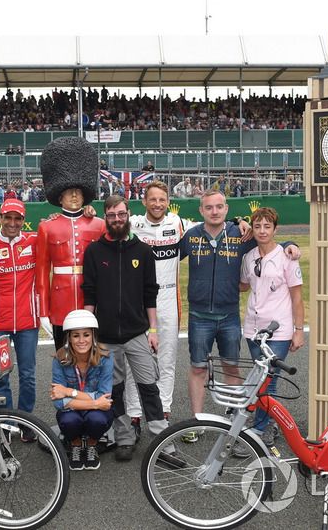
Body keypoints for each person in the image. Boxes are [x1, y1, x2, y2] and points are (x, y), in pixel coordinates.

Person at [179, 190, 300, 443]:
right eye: (209, 207)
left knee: (232, 366)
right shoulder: (190, 236)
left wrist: (291, 245)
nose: (214, 211)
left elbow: (269, 239)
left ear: (226, 209)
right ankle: (198, 420)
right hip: (199, 315)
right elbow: (164, 256)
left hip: (229, 316)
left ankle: (234, 419)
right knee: (198, 367)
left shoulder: (241, 234)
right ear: (201, 211)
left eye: (219, 207)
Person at [82, 195, 177, 464]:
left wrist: (154, 330)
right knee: (114, 391)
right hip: (107, 338)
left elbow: (150, 294)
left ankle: (162, 443)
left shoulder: (143, 251)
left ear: (128, 215)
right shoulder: (94, 251)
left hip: (138, 334)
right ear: (105, 217)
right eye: (111, 216)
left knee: (149, 388)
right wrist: (88, 335)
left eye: (121, 215)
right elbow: (89, 296)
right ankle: (124, 437)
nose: (116, 220)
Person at [122, 181, 195, 439]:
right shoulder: (133, 224)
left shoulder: (178, 224)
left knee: (167, 359)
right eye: (152, 199)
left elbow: (212, 223)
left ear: (168, 201)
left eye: (161, 200)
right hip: (138, 299)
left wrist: (239, 220)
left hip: (167, 298)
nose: (157, 204)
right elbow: (102, 226)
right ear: (144, 201)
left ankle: (163, 413)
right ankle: (133, 416)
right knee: (134, 360)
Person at [236, 207, 304, 449]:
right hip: (254, 327)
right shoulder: (249, 257)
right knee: (258, 377)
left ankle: (258, 432)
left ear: (276, 229)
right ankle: (268, 422)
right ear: (252, 229)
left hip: (279, 329)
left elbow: (297, 297)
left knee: (269, 380)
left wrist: (298, 330)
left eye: (267, 226)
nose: (262, 231)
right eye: (257, 226)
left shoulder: (287, 256)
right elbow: (243, 286)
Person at [36, 137, 106, 349]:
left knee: (93, 356)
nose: (75, 194)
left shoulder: (98, 225)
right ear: (60, 196)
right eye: (69, 190)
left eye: (78, 190)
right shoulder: (47, 227)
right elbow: (41, 273)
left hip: (91, 298)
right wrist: (43, 312)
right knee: (63, 355)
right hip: (60, 300)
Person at [0, 199, 40, 442]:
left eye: (18, 218)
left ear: (24, 220)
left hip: (28, 322)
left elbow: (61, 229)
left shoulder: (34, 241)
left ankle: (26, 421)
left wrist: (87, 211)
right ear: (0, 217)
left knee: (28, 375)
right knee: (1, 375)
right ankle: (5, 423)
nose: (13, 223)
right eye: (8, 217)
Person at [50, 310, 114, 471]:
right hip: (80, 411)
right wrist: (95, 403)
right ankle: (75, 444)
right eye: (76, 335)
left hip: (87, 409)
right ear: (69, 338)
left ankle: (92, 443)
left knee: (97, 420)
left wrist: (68, 392)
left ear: (93, 336)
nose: (81, 340)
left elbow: (105, 397)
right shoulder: (60, 358)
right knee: (69, 421)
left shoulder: (105, 357)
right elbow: (58, 402)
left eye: (86, 335)